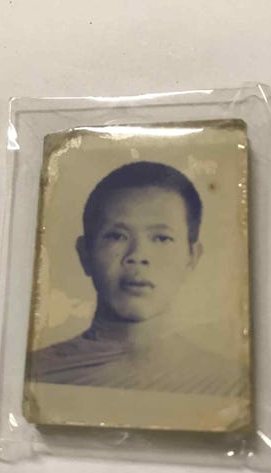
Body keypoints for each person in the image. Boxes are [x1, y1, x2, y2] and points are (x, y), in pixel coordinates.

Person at [26, 161, 245, 397]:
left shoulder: (231, 385)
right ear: (85, 254)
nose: (138, 255)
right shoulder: (37, 374)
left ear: (192, 257)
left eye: (161, 238)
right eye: (117, 236)